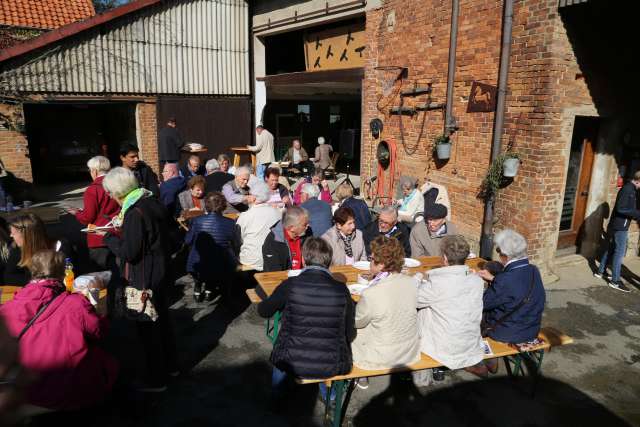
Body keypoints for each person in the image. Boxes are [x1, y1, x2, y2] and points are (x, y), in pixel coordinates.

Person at [0, 250, 118, 410]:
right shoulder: (76, 304)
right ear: (64, 273)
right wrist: (95, 305)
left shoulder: (7, 308)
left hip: (24, 390)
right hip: (69, 392)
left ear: (32, 272)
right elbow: (99, 332)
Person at [101, 167, 177, 391]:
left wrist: (109, 239)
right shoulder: (150, 200)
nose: (109, 197)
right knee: (163, 322)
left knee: (147, 329)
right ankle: (172, 366)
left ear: (117, 192)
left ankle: (157, 379)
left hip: (145, 276)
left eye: (110, 193)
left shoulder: (134, 212)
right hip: (161, 270)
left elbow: (130, 252)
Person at [257, 237, 354, 399]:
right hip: (330, 362)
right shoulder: (341, 289)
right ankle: (330, 398)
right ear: (329, 261)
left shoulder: (290, 284)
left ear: (303, 259)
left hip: (290, 359)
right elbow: (349, 332)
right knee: (327, 350)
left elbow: (263, 311)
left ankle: (276, 396)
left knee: (281, 352)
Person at [416, 235, 486, 379]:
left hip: (443, 348)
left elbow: (412, 299)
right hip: (469, 343)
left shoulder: (437, 284)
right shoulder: (477, 281)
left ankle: (433, 370)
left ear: (445, 258)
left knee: (421, 309)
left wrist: (417, 278)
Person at [351, 236, 421, 378]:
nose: (369, 261)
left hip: (380, 357)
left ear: (381, 264)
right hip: (408, 352)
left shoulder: (371, 293)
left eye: (371, 258)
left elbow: (357, 322)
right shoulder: (411, 283)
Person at [478, 229, 545, 349]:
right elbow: (516, 288)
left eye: (498, 251)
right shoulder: (534, 270)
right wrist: (494, 279)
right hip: (531, 330)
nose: (498, 254)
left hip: (507, 333)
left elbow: (483, 303)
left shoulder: (504, 279)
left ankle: (480, 361)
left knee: (471, 315)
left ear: (506, 255)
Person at [68, 156, 121, 270]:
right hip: (117, 232)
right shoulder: (118, 184)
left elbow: (88, 217)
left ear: (94, 171)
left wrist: (77, 213)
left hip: (99, 237)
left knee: (103, 276)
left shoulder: (93, 189)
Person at [185, 192, 240, 302]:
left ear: (206, 205)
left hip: (197, 262)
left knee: (205, 260)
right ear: (223, 206)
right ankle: (209, 289)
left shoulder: (196, 221)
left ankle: (198, 286)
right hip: (220, 263)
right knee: (215, 260)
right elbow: (235, 243)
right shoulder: (230, 223)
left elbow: (188, 241)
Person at [594, 171, 640, 292]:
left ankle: (601, 271)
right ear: (638, 180)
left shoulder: (631, 189)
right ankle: (615, 281)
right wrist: (637, 214)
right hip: (620, 227)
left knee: (611, 248)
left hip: (617, 224)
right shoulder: (628, 190)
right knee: (619, 254)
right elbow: (621, 208)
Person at [4, 214, 72, 286]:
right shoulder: (18, 249)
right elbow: (9, 277)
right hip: (35, 292)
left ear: (26, 235)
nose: (10, 235)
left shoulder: (61, 247)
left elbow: (70, 274)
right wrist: (37, 282)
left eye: (13, 233)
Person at [236, 182, 282, 271]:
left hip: (250, 261)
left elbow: (238, 239)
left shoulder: (245, 216)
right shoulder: (277, 213)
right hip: (272, 260)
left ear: (253, 197)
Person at [262, 206, 310, 272]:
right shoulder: (272, 242)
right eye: (304, 224)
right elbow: (274, 273)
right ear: (291, 228)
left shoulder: (306, 234)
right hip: (285, 279)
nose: (308, 226)